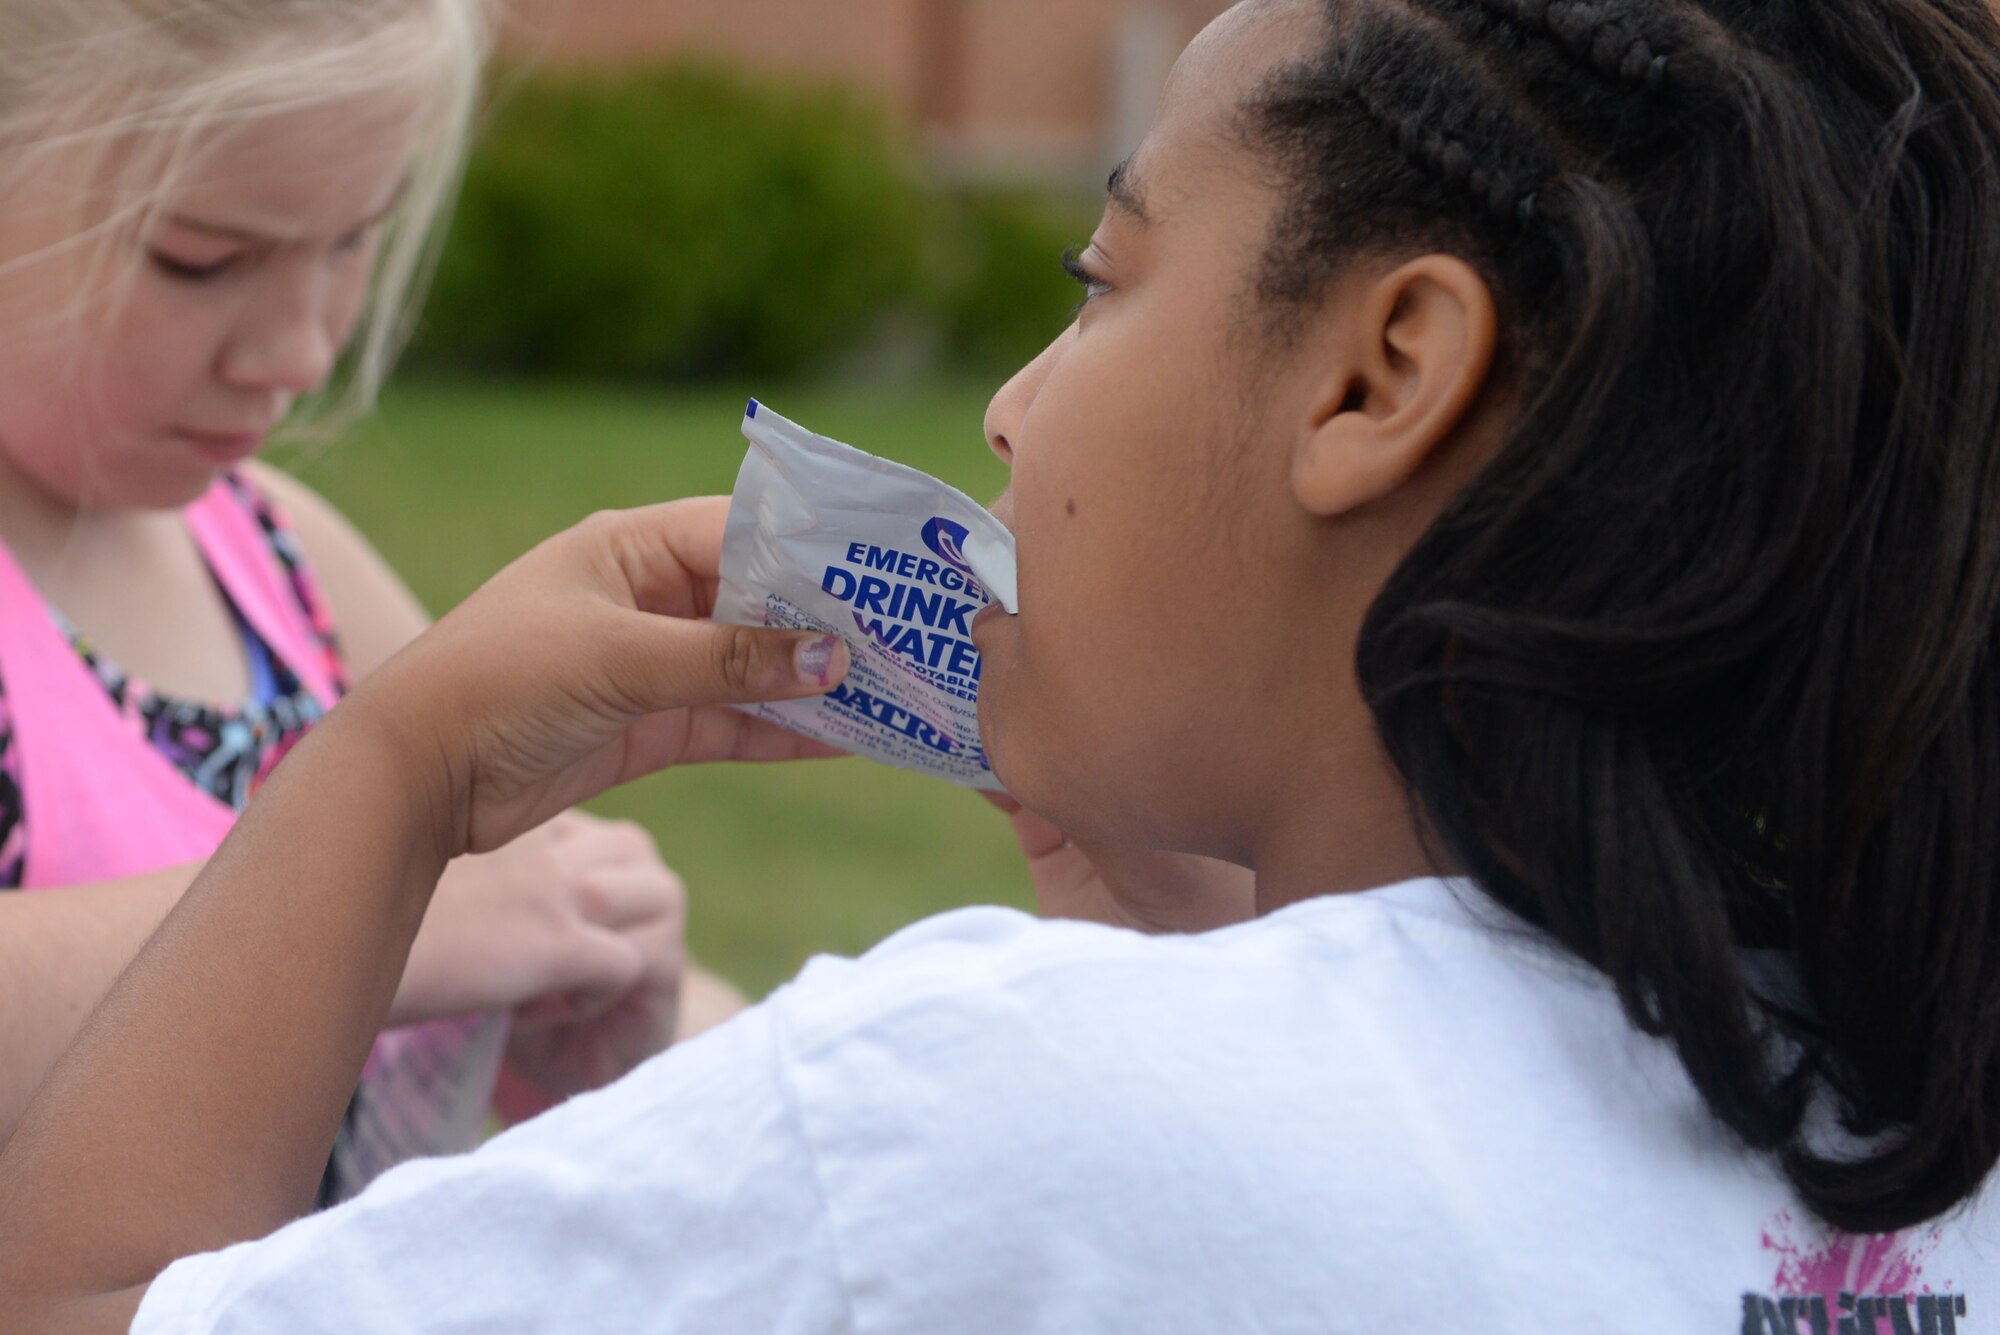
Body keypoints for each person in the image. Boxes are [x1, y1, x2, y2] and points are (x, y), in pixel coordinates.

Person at [6, 0, 2000, 1328]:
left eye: (1101, 281)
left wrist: (396, 774)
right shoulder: (1905, 1090)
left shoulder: (962, 1108)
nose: (1016, 410)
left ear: (1385, 369)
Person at [0, 0, 734, 1201]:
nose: (296, 351)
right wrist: (362, 923)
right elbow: (425, 918)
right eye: (202, 260)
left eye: (351, 245)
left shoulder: (278, 559)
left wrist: (613, 992)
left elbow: (535, 916)